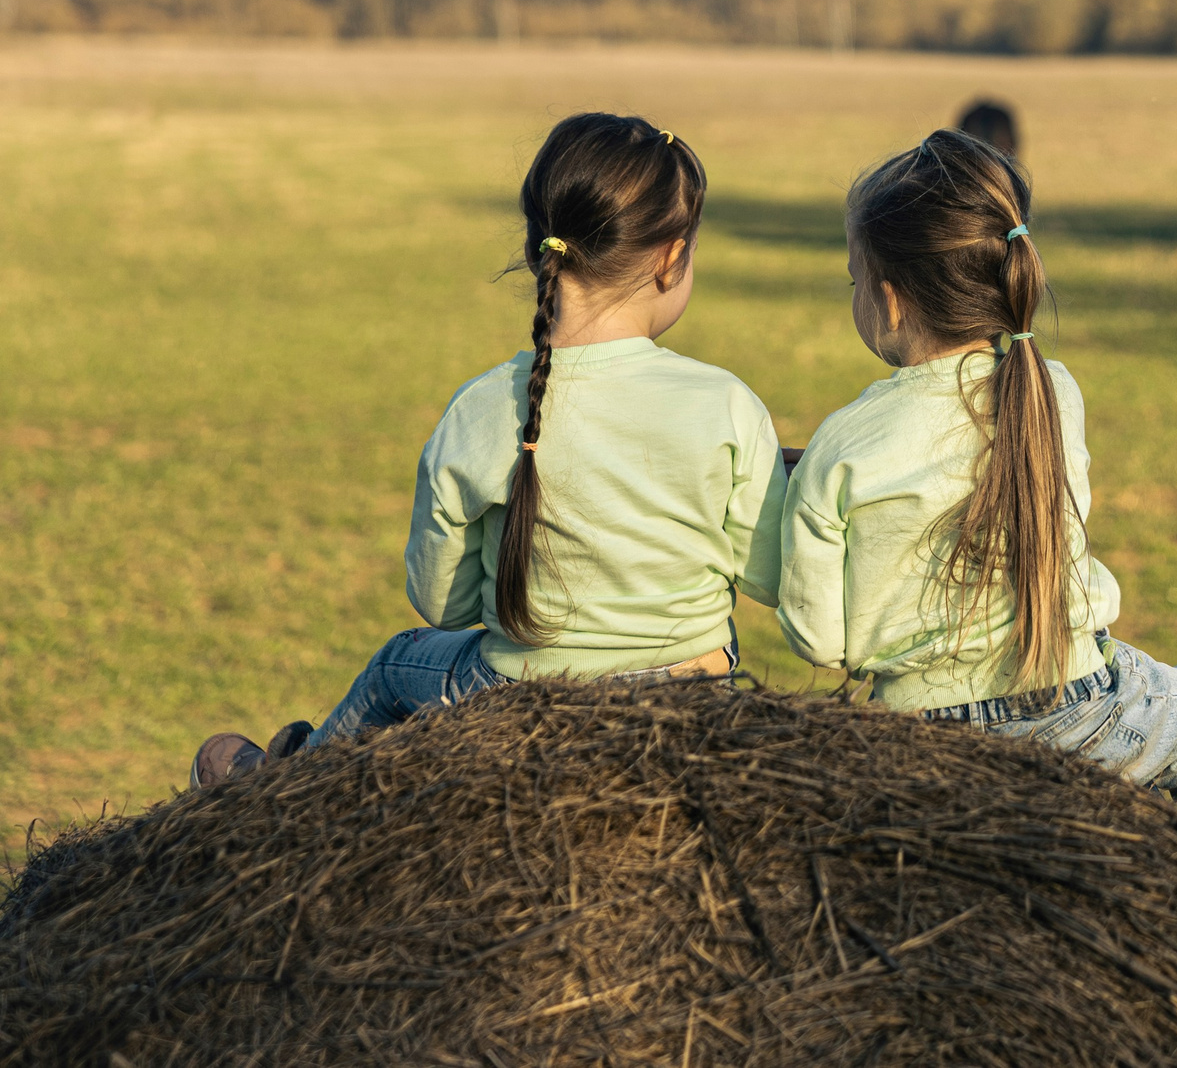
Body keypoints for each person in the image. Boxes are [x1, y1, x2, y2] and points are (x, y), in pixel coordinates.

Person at [777, 129, 1177, 936]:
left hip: (917, 742)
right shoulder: (1050, 390)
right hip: (1075, 712)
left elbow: (817, 638)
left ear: (892, 297)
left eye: (853, 280)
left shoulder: (844, 440)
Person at [190, 113, 787, 786]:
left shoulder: (481, 408)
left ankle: (282, 788)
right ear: (671, 258)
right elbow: (767, 574)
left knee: (396, 662)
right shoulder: (728, 402)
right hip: (694, 692)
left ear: (540, 252)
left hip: (516, 696)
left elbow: (443, 606)